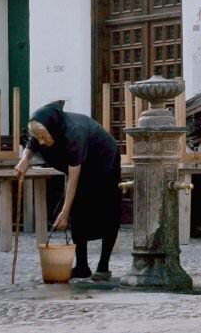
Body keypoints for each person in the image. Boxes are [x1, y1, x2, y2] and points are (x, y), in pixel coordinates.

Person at [14, 101, 121, 280]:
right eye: (38, 137)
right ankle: (82, 267)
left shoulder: (74, 133)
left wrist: (64, 212)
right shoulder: (45, 127)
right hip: (80, 164)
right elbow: (32, 142)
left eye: (43, 137)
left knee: (107, 210)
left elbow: (73, 178)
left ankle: (103, 267)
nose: (41, 141)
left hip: (103, 161)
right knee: (78, 213)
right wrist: (24, 160)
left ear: (53, 129)